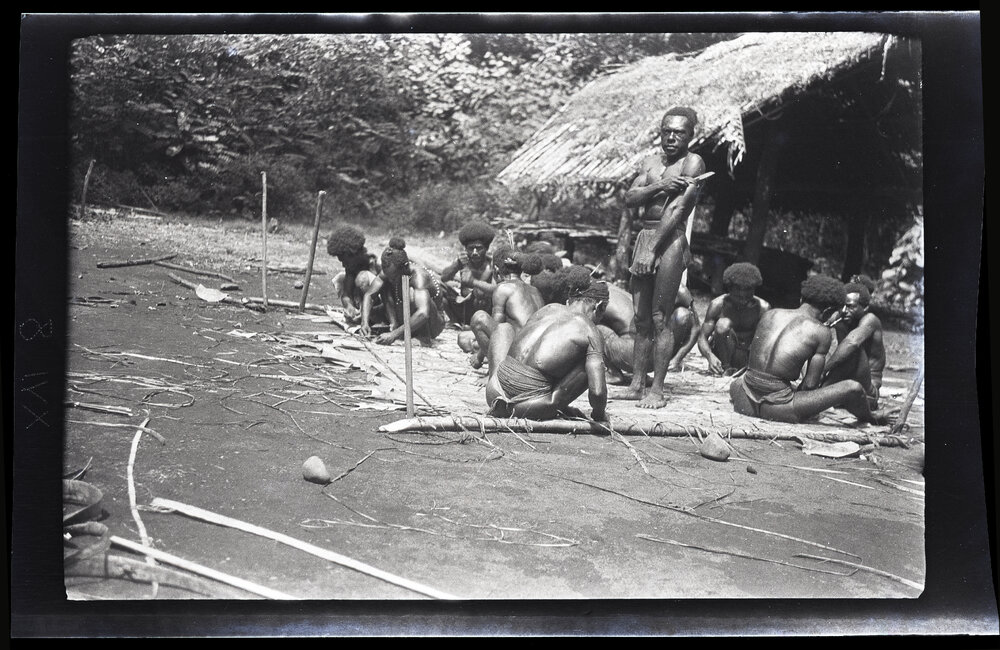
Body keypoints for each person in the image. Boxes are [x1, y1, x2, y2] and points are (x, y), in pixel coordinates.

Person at [623, 106, 708, 409]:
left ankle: (657, 390)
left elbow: (677, 210)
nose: (671, 137)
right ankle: (636, 384)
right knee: (641, 318)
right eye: (666, 131)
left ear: (690, 135)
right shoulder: (650, 162)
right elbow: (630, 198)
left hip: (669, 240)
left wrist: (652, 249)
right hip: (645, 234)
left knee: (661, 317)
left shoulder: (693, 162)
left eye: (679, 132)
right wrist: (659, 185)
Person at [728, 274, 896, 425]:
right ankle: (872, 417)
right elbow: (809, 386)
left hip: (743, 398)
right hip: (778, 409)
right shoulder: (821, 332)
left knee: (743, 380)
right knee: (853, 388)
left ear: (802, 299)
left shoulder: (770, 313)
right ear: (829, 311)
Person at [484, 275, 609, 422]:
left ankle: (509, 400)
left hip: (493, 392)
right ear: (600, 306)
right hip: (528, 407)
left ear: (570, 301)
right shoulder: (590, 330)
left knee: (503, 328)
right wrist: (599, 416)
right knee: (594, 361)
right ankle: (546, 404)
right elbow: (598, 392)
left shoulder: (548, 308)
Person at [599, 283, 700, 384]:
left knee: (598, 328)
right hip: (646, 352)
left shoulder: (678, 289)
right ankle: (640, 375)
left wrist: (677, 359)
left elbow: (696, 327)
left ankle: (613, 373)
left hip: (648, 353)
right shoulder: (638, 281)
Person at [467, 245, 546, 369]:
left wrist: (479, 358)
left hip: (519, 354)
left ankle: (497, 373)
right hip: (537, 354)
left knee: (479, 318)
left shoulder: (503, 288)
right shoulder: (534, 290)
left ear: (496, 269)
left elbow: (497, 331)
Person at [359, 237, 446, 346]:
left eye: (394, 277)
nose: (391, 280)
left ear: (405, 267)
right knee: (381, 288)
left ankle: (423, 338)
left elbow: (423, 313)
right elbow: (369, 295)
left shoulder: (419, 277)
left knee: (412, 295)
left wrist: (394, 335)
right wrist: (364, 322)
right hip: (404, 312)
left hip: (432, 323)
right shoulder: (389, 272)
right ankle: (394, 324)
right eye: (388, 276)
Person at [820, 280, 886, 410]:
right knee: (814, 344)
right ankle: (820, 390)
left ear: (865, 308)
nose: (844, 311)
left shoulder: (870, 320)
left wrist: (823, 370)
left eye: (850, 306)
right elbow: (817, 329)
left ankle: (820, 391)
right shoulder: (841, 316)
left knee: (851, 348)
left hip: (867, 390)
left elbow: (851, 343)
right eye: (842, 306)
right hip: (842, 381)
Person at [699, 262, 771, 376]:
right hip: (722, 357)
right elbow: (702, 337)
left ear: (754, 288)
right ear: (729, 288)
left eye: (748, 290)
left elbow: (767, 341)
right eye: (738, 290)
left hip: (747, 359)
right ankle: (725, 368)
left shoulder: (762, 308)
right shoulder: (717, 305)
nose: (743, 294)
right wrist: (710, 357)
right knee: (723, 324)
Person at [440, 220, 497, 326]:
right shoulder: (463, 261)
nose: (474, 252)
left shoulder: (492, 264)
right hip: (464, 308)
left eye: (479, 248)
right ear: (465, 249)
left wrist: (474, 282)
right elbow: (444, 278)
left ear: (486, 248)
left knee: (479, 292)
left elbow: (496, 290)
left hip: (485, 310)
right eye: (471, 248)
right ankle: (455, 321)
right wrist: (456, 264)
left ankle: (481, 323)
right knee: (440, 289)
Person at [326, 225, 385, 325]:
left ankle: (374, 318)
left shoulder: (379, 263)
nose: (344, 265)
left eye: (345, 261)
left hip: (383, 309)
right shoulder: (352, 265)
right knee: (339, 279)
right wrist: (349, 307)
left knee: (362, 278)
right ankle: (361, 315)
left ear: (354, 254)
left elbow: (391, 301)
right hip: (365, 308)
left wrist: (369, 312)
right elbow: (346, 295)